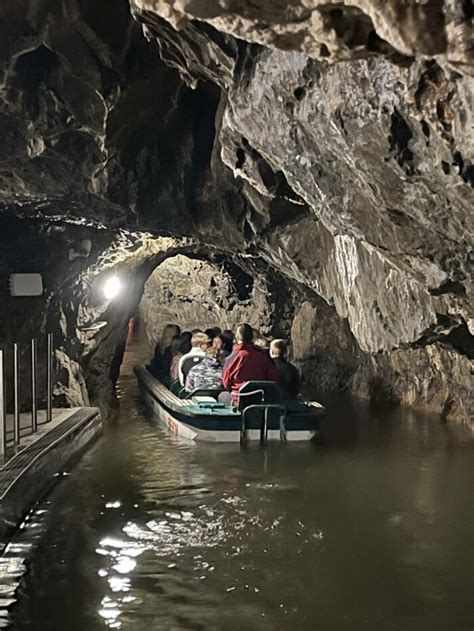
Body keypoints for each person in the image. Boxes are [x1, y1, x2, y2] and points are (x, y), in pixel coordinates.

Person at [220, 323, 280, 406]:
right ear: (252, 338)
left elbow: (226, 383)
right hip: (259, 399)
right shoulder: (263, 356)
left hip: (237, 399)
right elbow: (273, 378)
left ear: (237, 337)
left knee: (221, 396)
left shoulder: (232, 357)